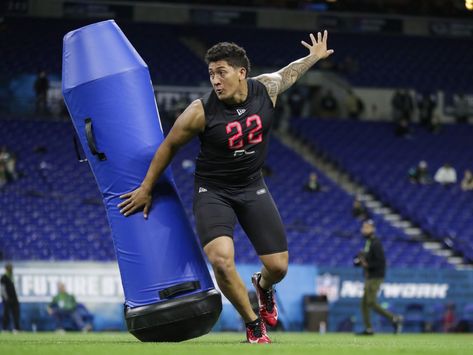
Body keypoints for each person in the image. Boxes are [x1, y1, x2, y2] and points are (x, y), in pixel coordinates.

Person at [118, 31, 334, 343]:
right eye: (211, 74)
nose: (216, 81)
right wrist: (146, 187)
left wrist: (313, 57)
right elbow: (167, 147)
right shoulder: (199, 111)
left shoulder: (266, 89)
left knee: (279, 266)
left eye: (222, 72)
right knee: (221, 259)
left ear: (241, 72)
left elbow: (291, 72)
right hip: (213, 191)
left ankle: (263, 286)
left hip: (251, 186)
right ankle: (252, 322)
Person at [354, 220, 403, 335]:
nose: (364, 230)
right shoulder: (368, 243)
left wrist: (367, 265)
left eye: (367, 228)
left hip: (376, 276)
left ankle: (394, 318)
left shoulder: (376, 243)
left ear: (373, 229)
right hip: (369, 276)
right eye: (363, 227)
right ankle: (369, 329)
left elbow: (381, 262)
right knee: (364, 303)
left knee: (370, 302)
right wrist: (358, 262)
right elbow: (361, 260)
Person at [1, 263, 20, 332]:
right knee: (6, 314)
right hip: (7, 299)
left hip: (14, 298)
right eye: (10, 268)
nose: (11, 269)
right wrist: (6, 298)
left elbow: (13, 288)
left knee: (16, 313)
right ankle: (4, 328)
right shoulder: (4, 277)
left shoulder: (11, 277)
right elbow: (2, 289)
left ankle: (16, 328)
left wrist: (16, 297)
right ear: (6, 269)